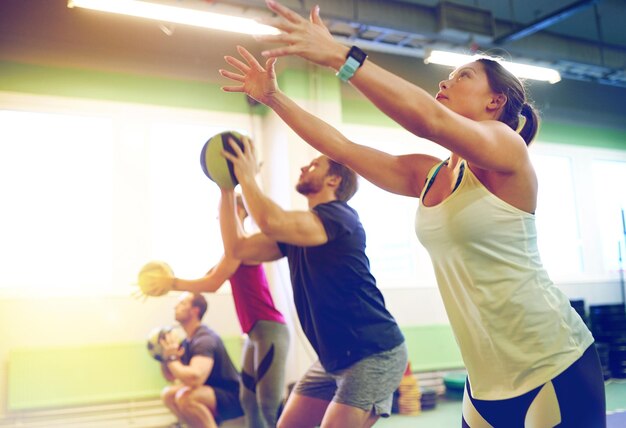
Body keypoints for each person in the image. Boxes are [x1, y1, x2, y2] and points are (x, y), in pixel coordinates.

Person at [217, 1, 606, 426]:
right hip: (485, 384)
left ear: (496, 101)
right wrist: (273, 98)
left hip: (553, 362)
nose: (446, 80)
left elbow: (428, 119)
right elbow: (342, 148)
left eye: (463, 76)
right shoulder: (431, 174)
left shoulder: (507, 150)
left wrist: (339, 58)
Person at [217, 140, 407, 427]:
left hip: (372, 354)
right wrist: (227, 188)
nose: (305, 166)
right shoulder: (300, 232)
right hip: (332, 360)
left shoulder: (341, 217)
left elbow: (271, 220)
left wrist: (246, 177)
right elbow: (238, 250)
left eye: (315, 164)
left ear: (334, 179)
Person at [144, 194, 290, 428]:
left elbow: (211, 283)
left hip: (270, 330)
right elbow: (208, 278)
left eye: (224, 211)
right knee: (249, 400)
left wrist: (171, 283)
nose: (218, 218)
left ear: (240, 211)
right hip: (255, 333)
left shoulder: (245, 247)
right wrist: (166, 281)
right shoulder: (231, 254)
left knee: (267, 403)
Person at [160, 292, 244, 428]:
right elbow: (170, 376)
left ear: (195, 310)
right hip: (209, 393)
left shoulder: (204, 339)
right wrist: (164, 357)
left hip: (233, 397)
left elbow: (195, 378)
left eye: (182, 303)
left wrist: (171, 359)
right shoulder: (187, 341)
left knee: (185, 398)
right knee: (168, 395)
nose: (175, 306)